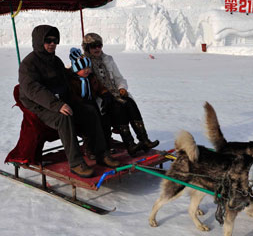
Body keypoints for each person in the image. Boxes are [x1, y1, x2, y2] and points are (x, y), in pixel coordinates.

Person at [18, 25, 92, 177]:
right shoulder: (28, 64)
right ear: (39, 41)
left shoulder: (55, 60)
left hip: (57, 101)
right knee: (63, 117)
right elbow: (33, 90)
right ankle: (76, 163)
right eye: (48, 40)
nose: (52, 44)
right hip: (39, 107)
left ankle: (98, 150)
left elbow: (65, 79)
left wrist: (78, 72)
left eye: (55, 40)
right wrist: (57, 105)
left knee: (88, 109)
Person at [82, 33, 159, 155]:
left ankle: (144, 139)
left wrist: (122, 88)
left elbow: (118, 78)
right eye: (93, 46)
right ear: (86, 47)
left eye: (99, 45)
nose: (97, 49)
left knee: (130, 103)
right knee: (119, 107)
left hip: (114, 93)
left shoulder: (108, 59)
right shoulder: (83, 63)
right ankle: (130, 144)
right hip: (100, 98)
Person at [66, 47, 120, 168]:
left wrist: (105, 94)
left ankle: (105, 146)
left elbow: (100, 87)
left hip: (91, 104)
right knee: (89, 124)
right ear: (76, 69)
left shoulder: (91, 78)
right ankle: (91, 150)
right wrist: (80, 104)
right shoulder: (72, 81)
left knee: (104, 118)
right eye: (83, 68)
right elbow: (72, 96)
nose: (87, 71)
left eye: (88, 68)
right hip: (79, 107)